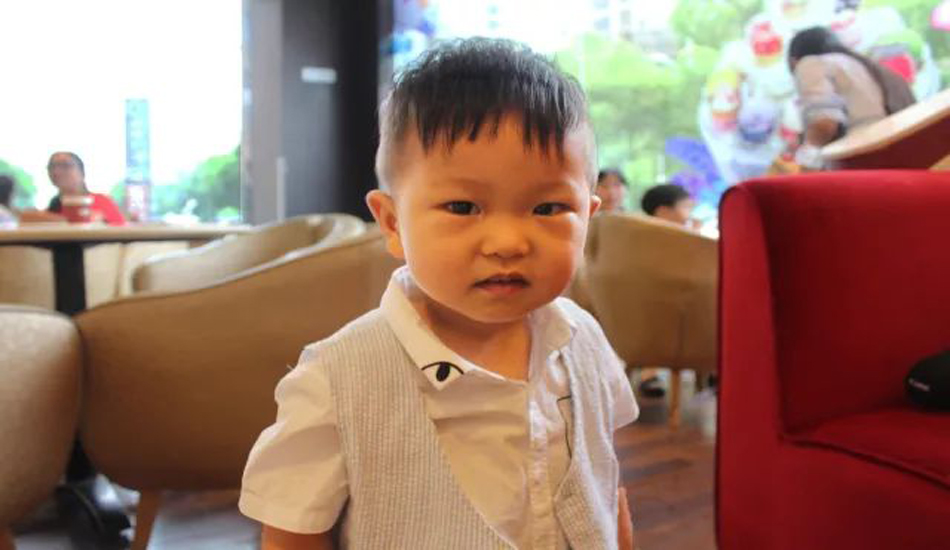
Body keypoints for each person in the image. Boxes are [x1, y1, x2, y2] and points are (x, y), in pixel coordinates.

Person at [240, 38, 638, 550]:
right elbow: (294, 534)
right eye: (463, 207)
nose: (507, 243)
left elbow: (603, 480)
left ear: (588, 216)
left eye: (547, 209)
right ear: (392, 222)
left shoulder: (584, 340)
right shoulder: (337, 379)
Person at [787, 26, 916, 168]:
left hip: (864, 159)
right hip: (901, 154)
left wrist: (805, 160)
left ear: (794, 61)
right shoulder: (865, 65)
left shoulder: (810, 63)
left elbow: (824, 123)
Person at [20, 152, 126, 225]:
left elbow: (120, 233)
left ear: (82, 172)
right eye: (52, 166)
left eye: (65, 166)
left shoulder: (101, 201)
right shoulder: (54, 206)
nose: (56, 172)